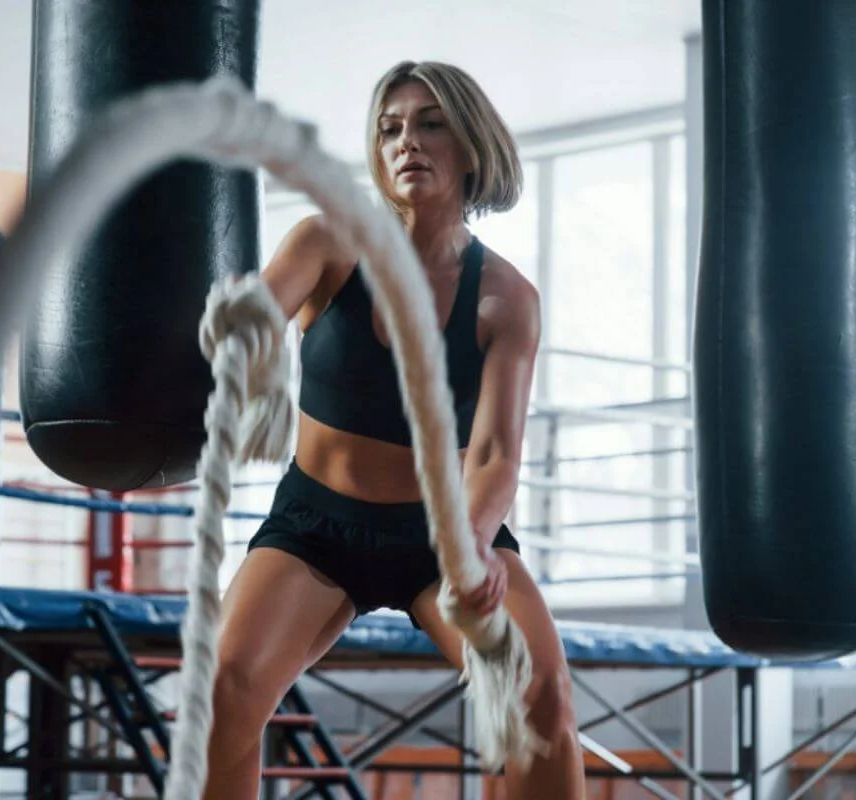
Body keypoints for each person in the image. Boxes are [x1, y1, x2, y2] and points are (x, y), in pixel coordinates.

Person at [202, 60, 585, 798]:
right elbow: (257, 321)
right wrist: (240, 323)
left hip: (443, 537)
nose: (407, 141)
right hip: (317, 522)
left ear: (473, 145)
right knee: (227, 685)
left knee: (542, 702)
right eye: (391, 128)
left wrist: (473, 545)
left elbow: (499, 450)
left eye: (430, 122)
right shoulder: (326, 242)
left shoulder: (507, 299)